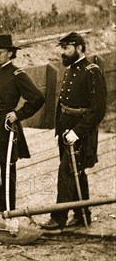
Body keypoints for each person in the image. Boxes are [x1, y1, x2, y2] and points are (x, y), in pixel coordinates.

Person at [41, 32, 107, 230]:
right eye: (61, 48)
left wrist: (77, 132)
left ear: (79, 48)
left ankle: (58, 218)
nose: (63, 52)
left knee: (66, 171)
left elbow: (98, 110)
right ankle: (81, 213)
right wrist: (61, 129)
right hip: (66, 127)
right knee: (76, 171)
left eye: (66, 48)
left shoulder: (91, 71)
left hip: (81, 130)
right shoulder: (71, 69)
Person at [0, 35, 44, 213]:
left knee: (7, 170)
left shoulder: (18, 74)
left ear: (10, 53)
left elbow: (38, 98)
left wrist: (18, 114)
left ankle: (8, 212)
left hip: (5, 126)